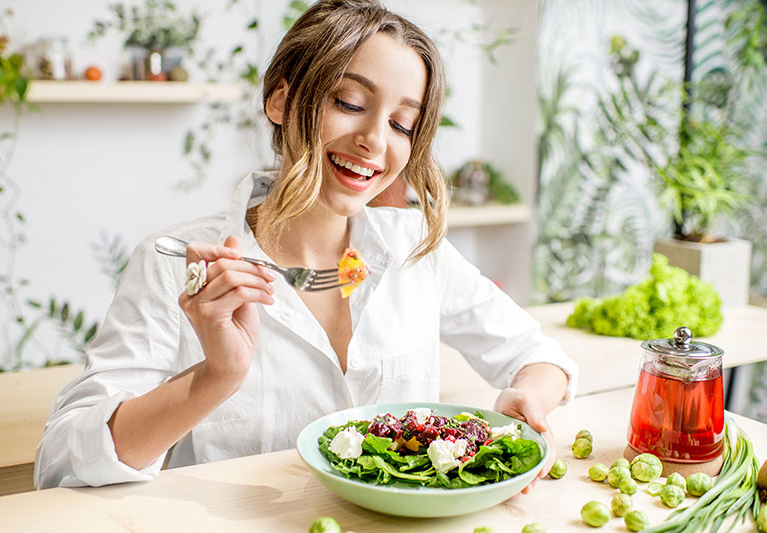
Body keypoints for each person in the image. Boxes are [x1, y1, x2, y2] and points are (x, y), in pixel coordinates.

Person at [35, 0, 578, 490]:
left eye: (401, 123)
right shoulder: (176, 260)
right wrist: (214, 376)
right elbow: (62, 462)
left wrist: (528, 399)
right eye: (348, 101)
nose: (375, 140)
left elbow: (537, 355)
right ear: (280, 101)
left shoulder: (414, 247)